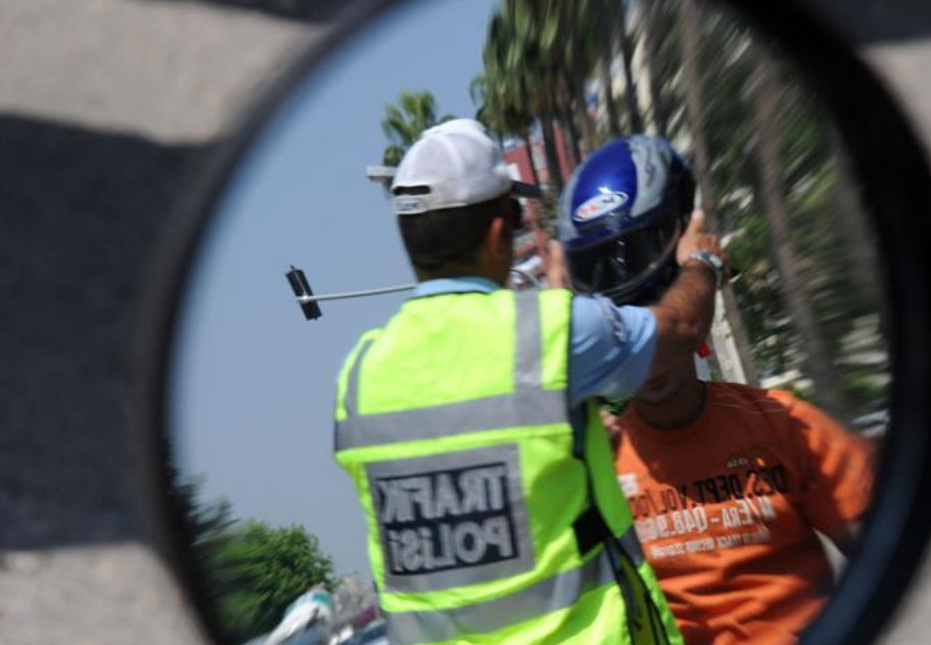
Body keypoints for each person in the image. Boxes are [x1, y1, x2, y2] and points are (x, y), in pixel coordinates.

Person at [332, 119, 732, 645]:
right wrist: (701, 261)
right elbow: (679, 329)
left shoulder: (358, 378)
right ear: (500, 233)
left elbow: (463, 477)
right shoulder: (549, 333)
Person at [555, 135, 877, 645]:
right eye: (638, 337)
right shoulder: (601, 467)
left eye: (658, 320)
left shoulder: (781, 424)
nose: (652, 363)